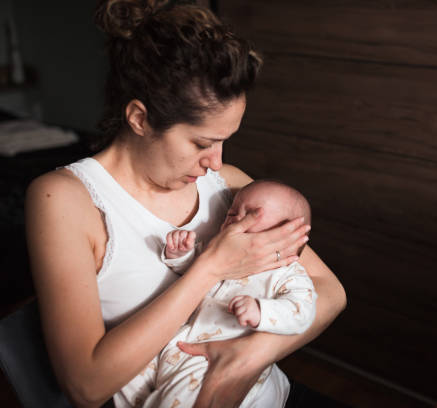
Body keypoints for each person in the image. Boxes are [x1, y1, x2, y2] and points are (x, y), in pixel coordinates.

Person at [24, 2, 346, 408]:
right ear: (140, 118)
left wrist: (246, 358)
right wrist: (212, 266)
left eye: (224, 140)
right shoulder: (65, 200)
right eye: (201, 143)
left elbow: (330, 291)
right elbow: (86, 386)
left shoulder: (230, 186)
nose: (216, 161)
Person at [117, 180, 317, 407]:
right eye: (232, 211)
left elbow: (303, 311)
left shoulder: (288, 274)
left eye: (251, 214)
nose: (234, 217)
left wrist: (262, 311)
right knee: (126, 376)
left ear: (288, 235)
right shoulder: (218, 247)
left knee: (179, 399)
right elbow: (194, 271)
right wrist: (179, 254)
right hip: (179, 345)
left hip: (216, 358)